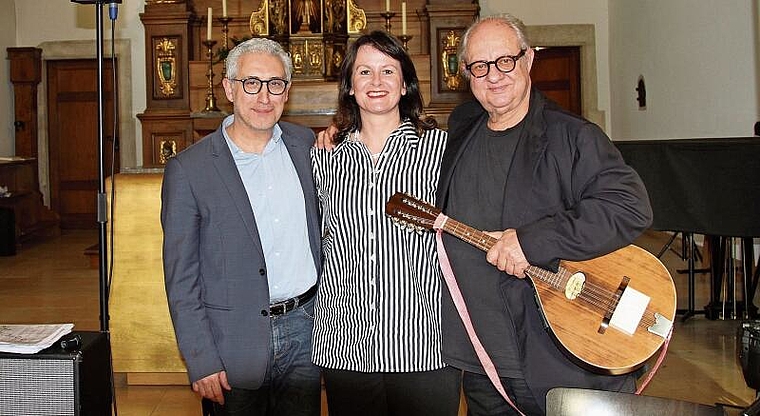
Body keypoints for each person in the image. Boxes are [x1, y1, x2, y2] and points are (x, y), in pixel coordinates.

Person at [435, 14, 654, 415]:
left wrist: (531, 241)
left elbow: (629, 207)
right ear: (466, 75)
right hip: (480, 357)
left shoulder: (572, 135)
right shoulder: (463, 127)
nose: (494, 76)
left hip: (553, 355)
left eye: (506, 61)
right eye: (479, 67)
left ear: (529, 60)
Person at [161, 37, 323, 416]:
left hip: (308, 331)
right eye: (252, 83)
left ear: (287, 91)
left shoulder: (306, 147)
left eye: (275, 84)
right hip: (232, 340)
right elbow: (181, 278)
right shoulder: (189, 170)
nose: (264, 96)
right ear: (229, 88)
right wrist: (201, 358)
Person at [310, 30, 461, 416]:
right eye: (364, 72)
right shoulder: (323, 159)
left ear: (405, 83)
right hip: (345, 346)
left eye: (388, 71)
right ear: (348, 86)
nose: (376, 83)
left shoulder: (442, 151)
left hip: (425, 344)